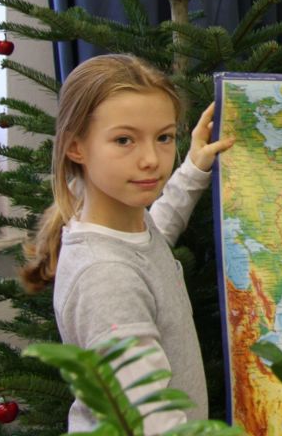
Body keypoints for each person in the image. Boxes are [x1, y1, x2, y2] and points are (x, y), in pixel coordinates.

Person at [20, 54, 235, 433]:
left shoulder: (117, 222)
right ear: (76, 147)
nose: (151, 159)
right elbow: (150, 422)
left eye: (164, 137)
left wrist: (193, 168)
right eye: (124, 140)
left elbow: (153, 236)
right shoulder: (106, 278)